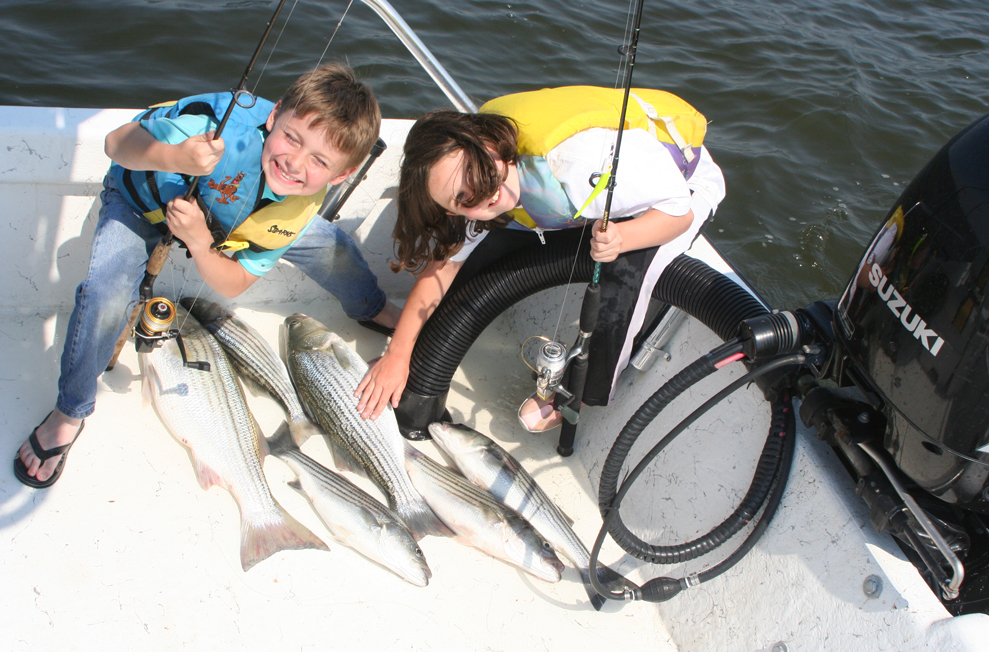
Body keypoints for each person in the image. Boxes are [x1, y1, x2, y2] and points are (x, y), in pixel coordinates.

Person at [15, 63, 400, 487]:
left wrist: (199, 242)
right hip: (143, 200)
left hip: (218, 232)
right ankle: (69, 411)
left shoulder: (299, 205)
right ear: (273, 117)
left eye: (319, 161)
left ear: (341, 175)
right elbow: (116, 142)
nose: (294, 162)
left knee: (334, 247)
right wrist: (176, 156)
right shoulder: (218, 123)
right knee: (105, 291)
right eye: (291, 137)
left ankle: (373, 307)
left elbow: (233, 283)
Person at [354, 85, 725, 427]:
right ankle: (420, 353)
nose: (482, 191)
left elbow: (679, 211)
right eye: (462, 198)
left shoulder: (575, 163)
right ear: (454, 211)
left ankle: (576, 397)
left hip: (677, 193)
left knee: (628, 272)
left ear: (485, 140)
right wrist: (398, 356)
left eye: (474, 170)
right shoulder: (488, 193)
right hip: (584, 200)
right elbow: (443, 268)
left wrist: (625, 236)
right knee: (475, 256)